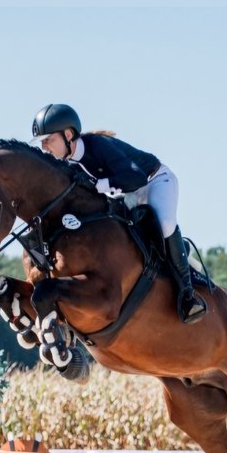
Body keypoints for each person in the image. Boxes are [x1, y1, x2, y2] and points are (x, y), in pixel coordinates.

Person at [31, 103, 207, 324]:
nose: (45, 147)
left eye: (49, 140)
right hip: (125, 193)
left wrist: (99, 184)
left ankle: (187, 294)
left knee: (165, 223)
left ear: (68, 135)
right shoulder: (68, 165)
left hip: (154, 181)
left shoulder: (98, 146)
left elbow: (136, 179)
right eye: (43, 142)